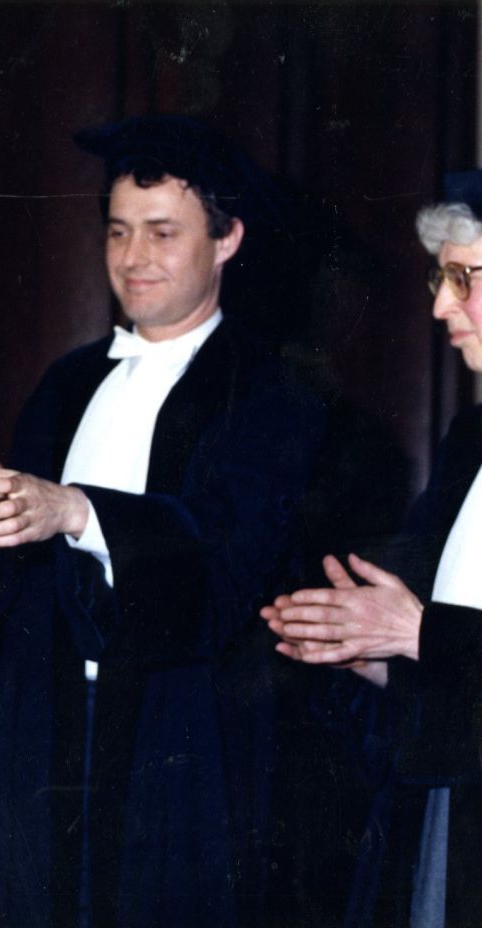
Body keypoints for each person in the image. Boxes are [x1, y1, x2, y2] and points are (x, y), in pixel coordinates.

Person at [0, 115, 325, 928]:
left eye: (161, 233)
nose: (132, 258)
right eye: (118, 231)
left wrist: (75, 510)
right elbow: (7, 577)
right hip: (45, 719)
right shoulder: (69, 379)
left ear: (227, 241)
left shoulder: (269, 394)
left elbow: (230, 565)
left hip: (183, 728)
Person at [263, 169, 482, 927]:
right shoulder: (471, 439)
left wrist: (415, 632)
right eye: (438, 277)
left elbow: (439, 633)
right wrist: (374, 653)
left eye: (463, 278)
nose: (440, 304)